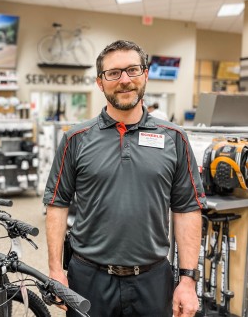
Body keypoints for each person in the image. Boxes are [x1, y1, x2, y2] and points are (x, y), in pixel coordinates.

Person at [43, 40, 206, 317]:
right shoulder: (75, 139)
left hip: (153, 279)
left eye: (132, 70)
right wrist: (56, 271)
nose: (124, 80)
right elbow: (57, 204)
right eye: (114, 73)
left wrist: (188, 280)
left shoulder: (174, 137)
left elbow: (187, 208)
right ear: (100, 82)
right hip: (88, 279)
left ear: (145, 74)